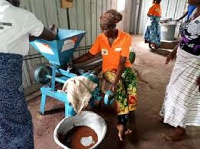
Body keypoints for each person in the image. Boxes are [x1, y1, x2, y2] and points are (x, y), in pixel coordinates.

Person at [72, 9, 138, 141]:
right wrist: (73, 61)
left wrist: (115, 82)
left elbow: (122, 62)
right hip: (109, 70)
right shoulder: (101, 38)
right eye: (102, 29)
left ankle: (130, 109)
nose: (103, 33)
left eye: (105, 29)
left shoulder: (125, 37)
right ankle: (122, 123)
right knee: (120, 87)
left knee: (131, 83)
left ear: (114, 27)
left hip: (124, 68)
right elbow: (90, 54)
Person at [0, 0, 57, 148]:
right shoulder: (22, 15)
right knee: (18, 124)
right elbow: (50, 36)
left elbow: (23, 35)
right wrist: (52, 31)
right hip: (5, 79)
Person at [160, 0, 200, 141]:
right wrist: (173, 51)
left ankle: (180, 128)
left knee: (185, 95)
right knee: (173, 89)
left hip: (195, 63)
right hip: (182, 59)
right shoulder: (194, 10)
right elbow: (186, 37)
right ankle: (171, 117)